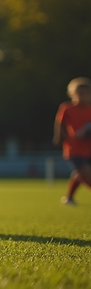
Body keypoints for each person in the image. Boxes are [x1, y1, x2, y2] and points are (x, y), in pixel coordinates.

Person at [54, 77, 91, 206]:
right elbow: (60, 123)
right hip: (73, 149)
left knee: (79, 174)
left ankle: (69, 198)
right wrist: (59, 137)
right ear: (72, 94)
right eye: (79, 94)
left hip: (87, 149)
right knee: (86, 174)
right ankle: (69, 198)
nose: (83, 96)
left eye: (85, 93)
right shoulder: (67, 108)